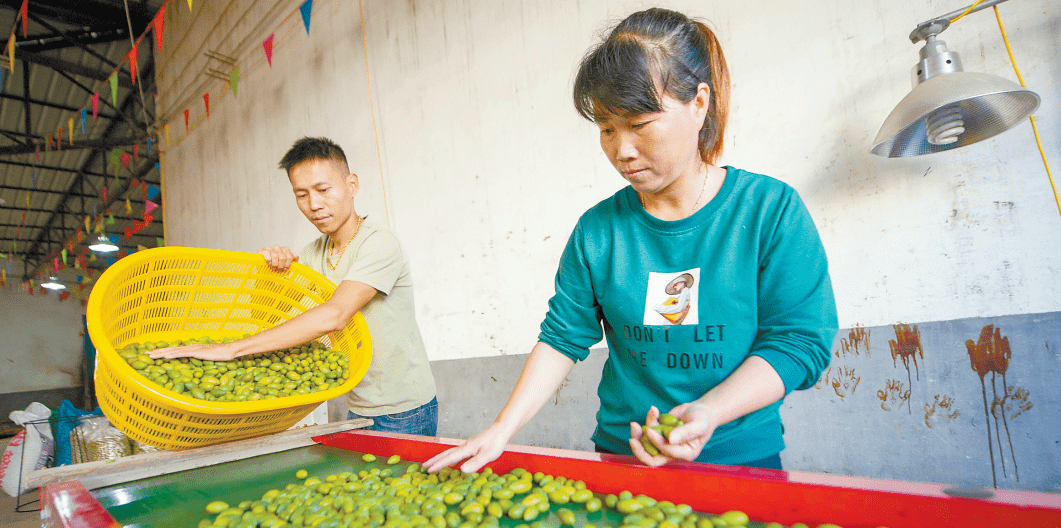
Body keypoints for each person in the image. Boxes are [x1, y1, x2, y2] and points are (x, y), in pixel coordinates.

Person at [425, 8, 836, 472]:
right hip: (623, 457)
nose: (621, 150)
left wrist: (710, 412)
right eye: (606, 129)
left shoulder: (769, 209)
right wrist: (502, 429)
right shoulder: (598, 231)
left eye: (639, 124)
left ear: (699, 103)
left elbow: (799, 342)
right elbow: (562, 338)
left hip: (740, 458)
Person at [149, 137, 438, 435]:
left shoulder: (379, 243)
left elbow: (335, 315)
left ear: (351, 185)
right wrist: (270, 275)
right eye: (301, 195)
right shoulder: (313, 253)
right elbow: (268, 318)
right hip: (358, 402)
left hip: (405, 408)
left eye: (323, 190)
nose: (314, 204)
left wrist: (231, 350)